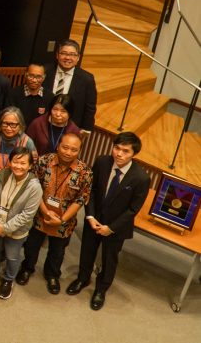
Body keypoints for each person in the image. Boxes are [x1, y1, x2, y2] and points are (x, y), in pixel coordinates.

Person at [66, 132, 150, 310]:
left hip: (116, 228)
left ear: (134, 154)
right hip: (94, 220)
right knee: (87, 251)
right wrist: (90, 216)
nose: (119, 154)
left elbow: (133, 209)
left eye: (125, 151)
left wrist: (110, 228)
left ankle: (101, 289)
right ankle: (82, 279)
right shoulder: (102, 162)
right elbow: (91, 191)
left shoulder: (141, 178)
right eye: (117, 148)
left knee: (109, 260)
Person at [17, 133, 92, 295]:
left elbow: (81, 199)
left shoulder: (85, 172)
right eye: (65, 147)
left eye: (74, 150)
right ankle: (27, 268)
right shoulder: (44, 161)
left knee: (58, 251)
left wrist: (62, 220)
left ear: (79, 151)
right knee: (31, 245)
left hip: (64, 222)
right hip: (39, 215)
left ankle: (52, 275)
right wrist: (45, 212)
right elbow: (33, 188)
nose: (68, 152)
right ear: (58, 146)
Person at [0, 146, 42, 300]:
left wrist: (5, 228)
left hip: (16, 229)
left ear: (30, 166)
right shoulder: (3, 175)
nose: (18, 166)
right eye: (15, 162)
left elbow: (27, 214)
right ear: (10, 162)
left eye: (23, 163)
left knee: (12, 256)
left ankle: (8, 279)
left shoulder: (34, 187)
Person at [0, 107, 37, 251]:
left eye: (13, 124)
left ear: (20, 125)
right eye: (5, 123)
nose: (9, 128)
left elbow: (33, 166)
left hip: (17, 182)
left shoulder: (27, 142)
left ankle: (6, 248)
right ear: (0, 123)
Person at [42, 39, 97, 131]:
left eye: (72, 54)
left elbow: (90, 108)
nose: (67, 58)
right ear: (57, 55)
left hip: (70, 128)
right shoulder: (45, 71)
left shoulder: (87, 79)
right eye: (64, 53)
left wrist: (86, 129)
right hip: (43, 123)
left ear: (78, 57)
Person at [6, 63, 52, 127]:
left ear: (43, 77)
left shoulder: (50, 97)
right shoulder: (13, 93)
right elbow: (8, 117)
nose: (34, 80)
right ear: (25, 75)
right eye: (31, 76)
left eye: (38, 77)